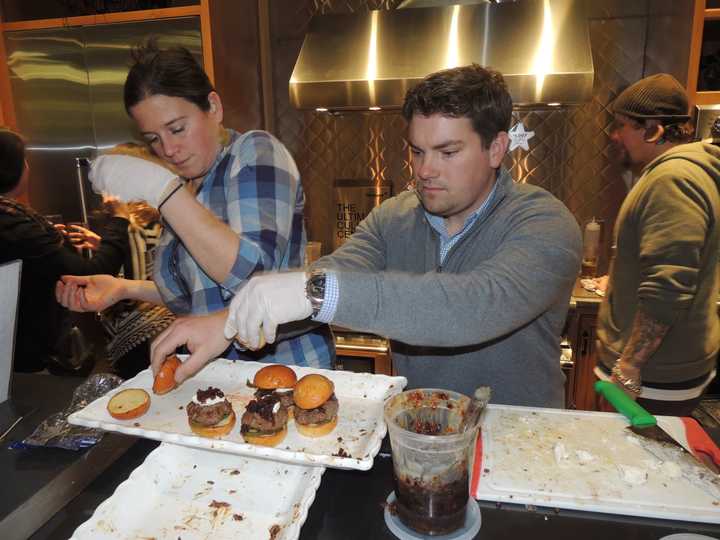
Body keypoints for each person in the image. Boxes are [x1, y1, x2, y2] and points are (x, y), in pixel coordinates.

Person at [151, 64, 583, 407]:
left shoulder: (544, 222)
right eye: (417, 151)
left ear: (496, 149)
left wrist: (316, 292)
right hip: (421, 429)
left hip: (521, 440)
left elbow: (476, 303)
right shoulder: (393, 218)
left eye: (448, 152)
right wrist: (231, 324)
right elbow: (335, 272)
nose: (425, 170)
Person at [55, 41, 333, 370]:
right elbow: (201, 296)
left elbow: (254, 277)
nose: (169, 149)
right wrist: (123, 288)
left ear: (213, 107)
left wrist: (161, 190)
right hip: (215, 376)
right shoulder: (186, 187)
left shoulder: (254, 153)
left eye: (177, 128)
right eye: (154, 139)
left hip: (284, 372)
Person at [595, 73, 720, 416]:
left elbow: (669, 285)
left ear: (654, 130)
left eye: (622, 125)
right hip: (665, 370)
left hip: (652, 378)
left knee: (633, 468)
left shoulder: (672, 180)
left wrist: (630, 367)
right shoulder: (691, 171)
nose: (614, 135)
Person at [0, 128, 130, 373]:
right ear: (13, 169)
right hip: (30, 357)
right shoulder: (16, 226)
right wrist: (119, 221)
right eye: (24, 161)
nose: (28, 168)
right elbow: (92, 276)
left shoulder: (14, 222)